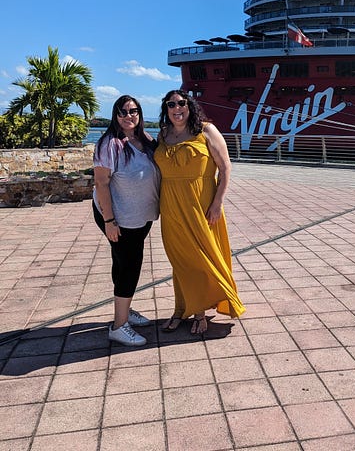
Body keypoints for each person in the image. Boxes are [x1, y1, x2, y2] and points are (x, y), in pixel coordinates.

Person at [153, 90, 245, 335]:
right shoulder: (162, 135)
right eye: (171, 104)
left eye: (181, 103)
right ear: (166, 109)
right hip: (171, 206)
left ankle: (200, 312)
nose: (176, 108)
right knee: (180, 260)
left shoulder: (206, 131)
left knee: (203, 259)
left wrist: (217, 203)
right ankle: (181, 308)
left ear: (189, 106)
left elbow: (225, 168)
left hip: (202, 206)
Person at [93, 95, 160, 347]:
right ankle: (119, 326)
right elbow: (101, 183)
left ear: (139, 113)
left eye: (133, 111)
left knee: (121, 263)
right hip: (119, 216)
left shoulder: (145, 140)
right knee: (130, 265)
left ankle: (125, 308)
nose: (128, 116)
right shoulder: (109, 144)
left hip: (139, 216)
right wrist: (110, 220)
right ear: (115, 115)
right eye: (122, 112)